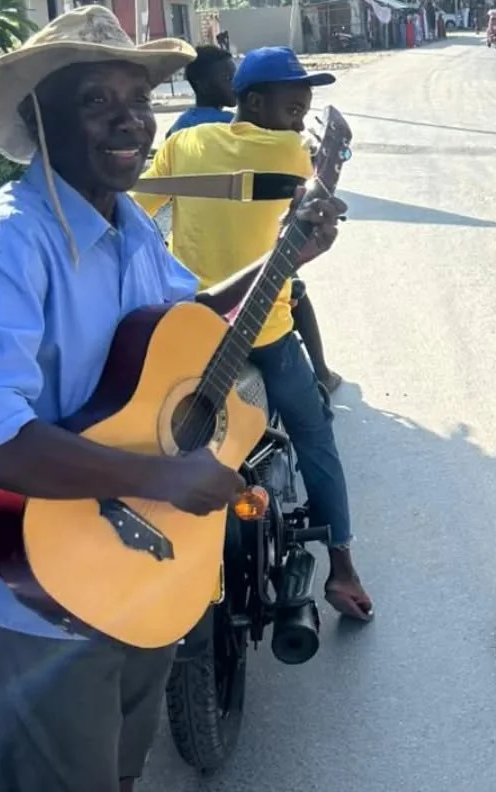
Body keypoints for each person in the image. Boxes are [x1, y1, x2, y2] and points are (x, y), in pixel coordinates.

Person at [0, 7, 344, 790]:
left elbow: (192, 324)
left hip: (142, 572)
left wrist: (286, 256)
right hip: (39, 600)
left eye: (138, 98)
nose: (129, 121)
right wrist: (159, 479)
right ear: (38, 119)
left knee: (119, 776)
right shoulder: (2, 250)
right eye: (95, 100)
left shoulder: (132, 227)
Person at [134, 46, 372, 623]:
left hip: (192, 329)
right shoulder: (295, 155)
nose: (298, 119)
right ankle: (341, 567)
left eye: (303, 110)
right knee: (315, 435)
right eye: (293, 108)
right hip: (265, 330)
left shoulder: (185, 143)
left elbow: (141, 215)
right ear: (257, 102)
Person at [166, 44, 237, 138]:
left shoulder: (181, 122)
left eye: (236, 77)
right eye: (228, 78)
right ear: (204, 86)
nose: (236, 84)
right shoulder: (231, 124)